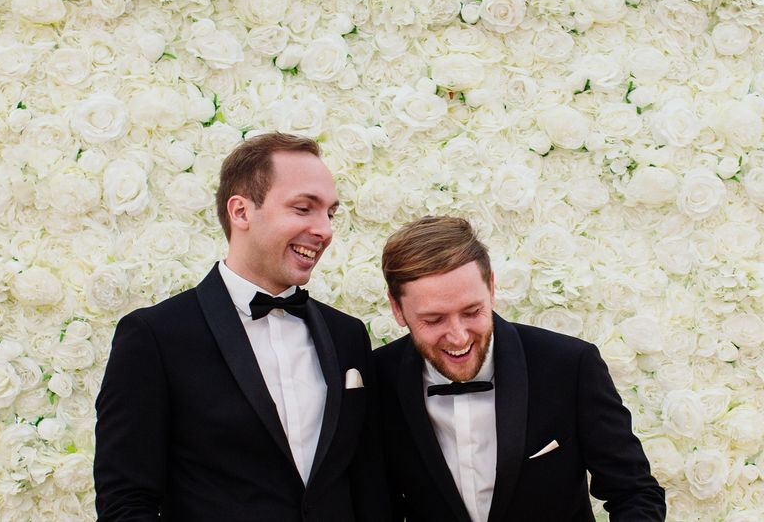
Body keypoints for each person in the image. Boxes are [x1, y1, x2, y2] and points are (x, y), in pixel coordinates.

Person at [95, 132, 391, 522]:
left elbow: (366, 485)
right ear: (241, 212)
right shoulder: (154, 337)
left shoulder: (347, 335)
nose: (325, 230)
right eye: (304, 209)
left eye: (330, 214)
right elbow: (126, 501)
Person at [374, 216, 665, 522]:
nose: (458, 336)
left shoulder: (569, 366)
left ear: (492, 288)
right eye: (434, 320)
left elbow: (635, 493)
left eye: (472, 311)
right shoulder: (378, 379)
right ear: (397, 309)